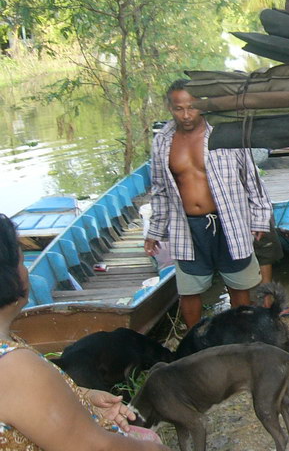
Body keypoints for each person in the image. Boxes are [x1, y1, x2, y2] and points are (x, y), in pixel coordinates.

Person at [0, 214, 168, 451]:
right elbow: (95, 447)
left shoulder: (9, 349)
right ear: (7, 278)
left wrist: (84, 397)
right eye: (20, 261)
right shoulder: (14, 366)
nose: (25, 271)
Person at [144, 80, 271, 328]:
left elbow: (251, 178)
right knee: (189, 290)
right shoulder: (163, 141)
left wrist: (259, 217)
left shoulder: (224, 132)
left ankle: (242, 336)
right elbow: (159, 189)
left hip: (230, 221)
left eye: (192, 107)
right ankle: (195, 342)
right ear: (169, 107)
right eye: (179, 108)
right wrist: (155, 231)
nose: (186, 115)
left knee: (239, 284)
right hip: (188, 226)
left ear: (202, 105)